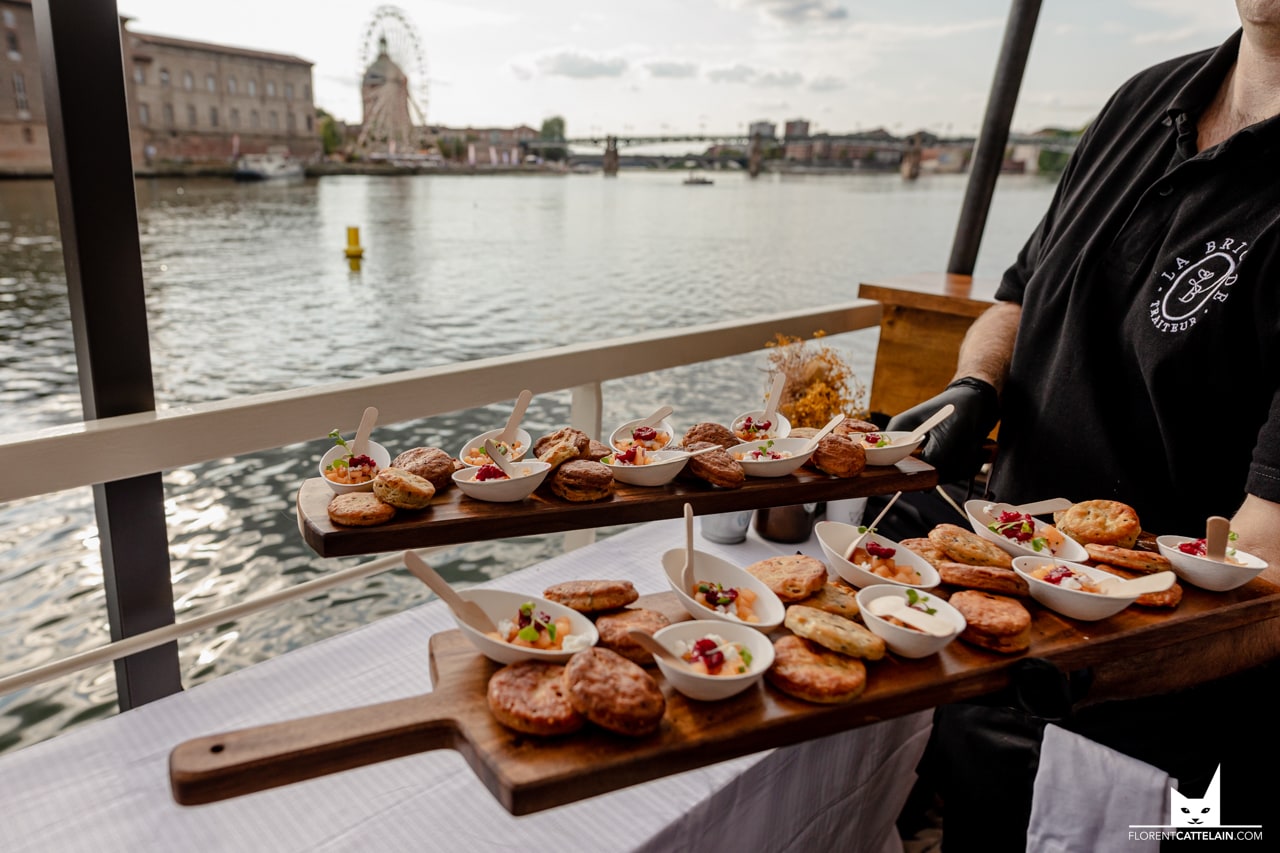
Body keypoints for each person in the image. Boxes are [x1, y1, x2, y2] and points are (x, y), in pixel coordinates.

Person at [889, 3, 1280, 848]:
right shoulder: (1143, 100)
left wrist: (1064, 657)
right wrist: (974, 384)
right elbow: (1018, 296)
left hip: (1168, 737)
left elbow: (1270, 564)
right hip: (1007, 649)